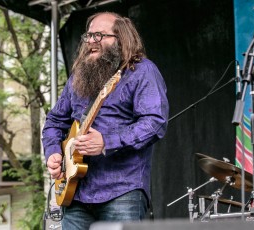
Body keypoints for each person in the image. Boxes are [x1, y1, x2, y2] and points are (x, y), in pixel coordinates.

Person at [42, 12, 169, 229]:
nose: (91, 41)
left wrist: (107, 141)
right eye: (89, 36)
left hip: (122, 191)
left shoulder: (142, 71)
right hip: (76, 193)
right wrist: (53, 152)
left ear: (122, 39)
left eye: (99, 35)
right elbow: (54, 121)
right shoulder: (79, 77)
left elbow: (154, 122)